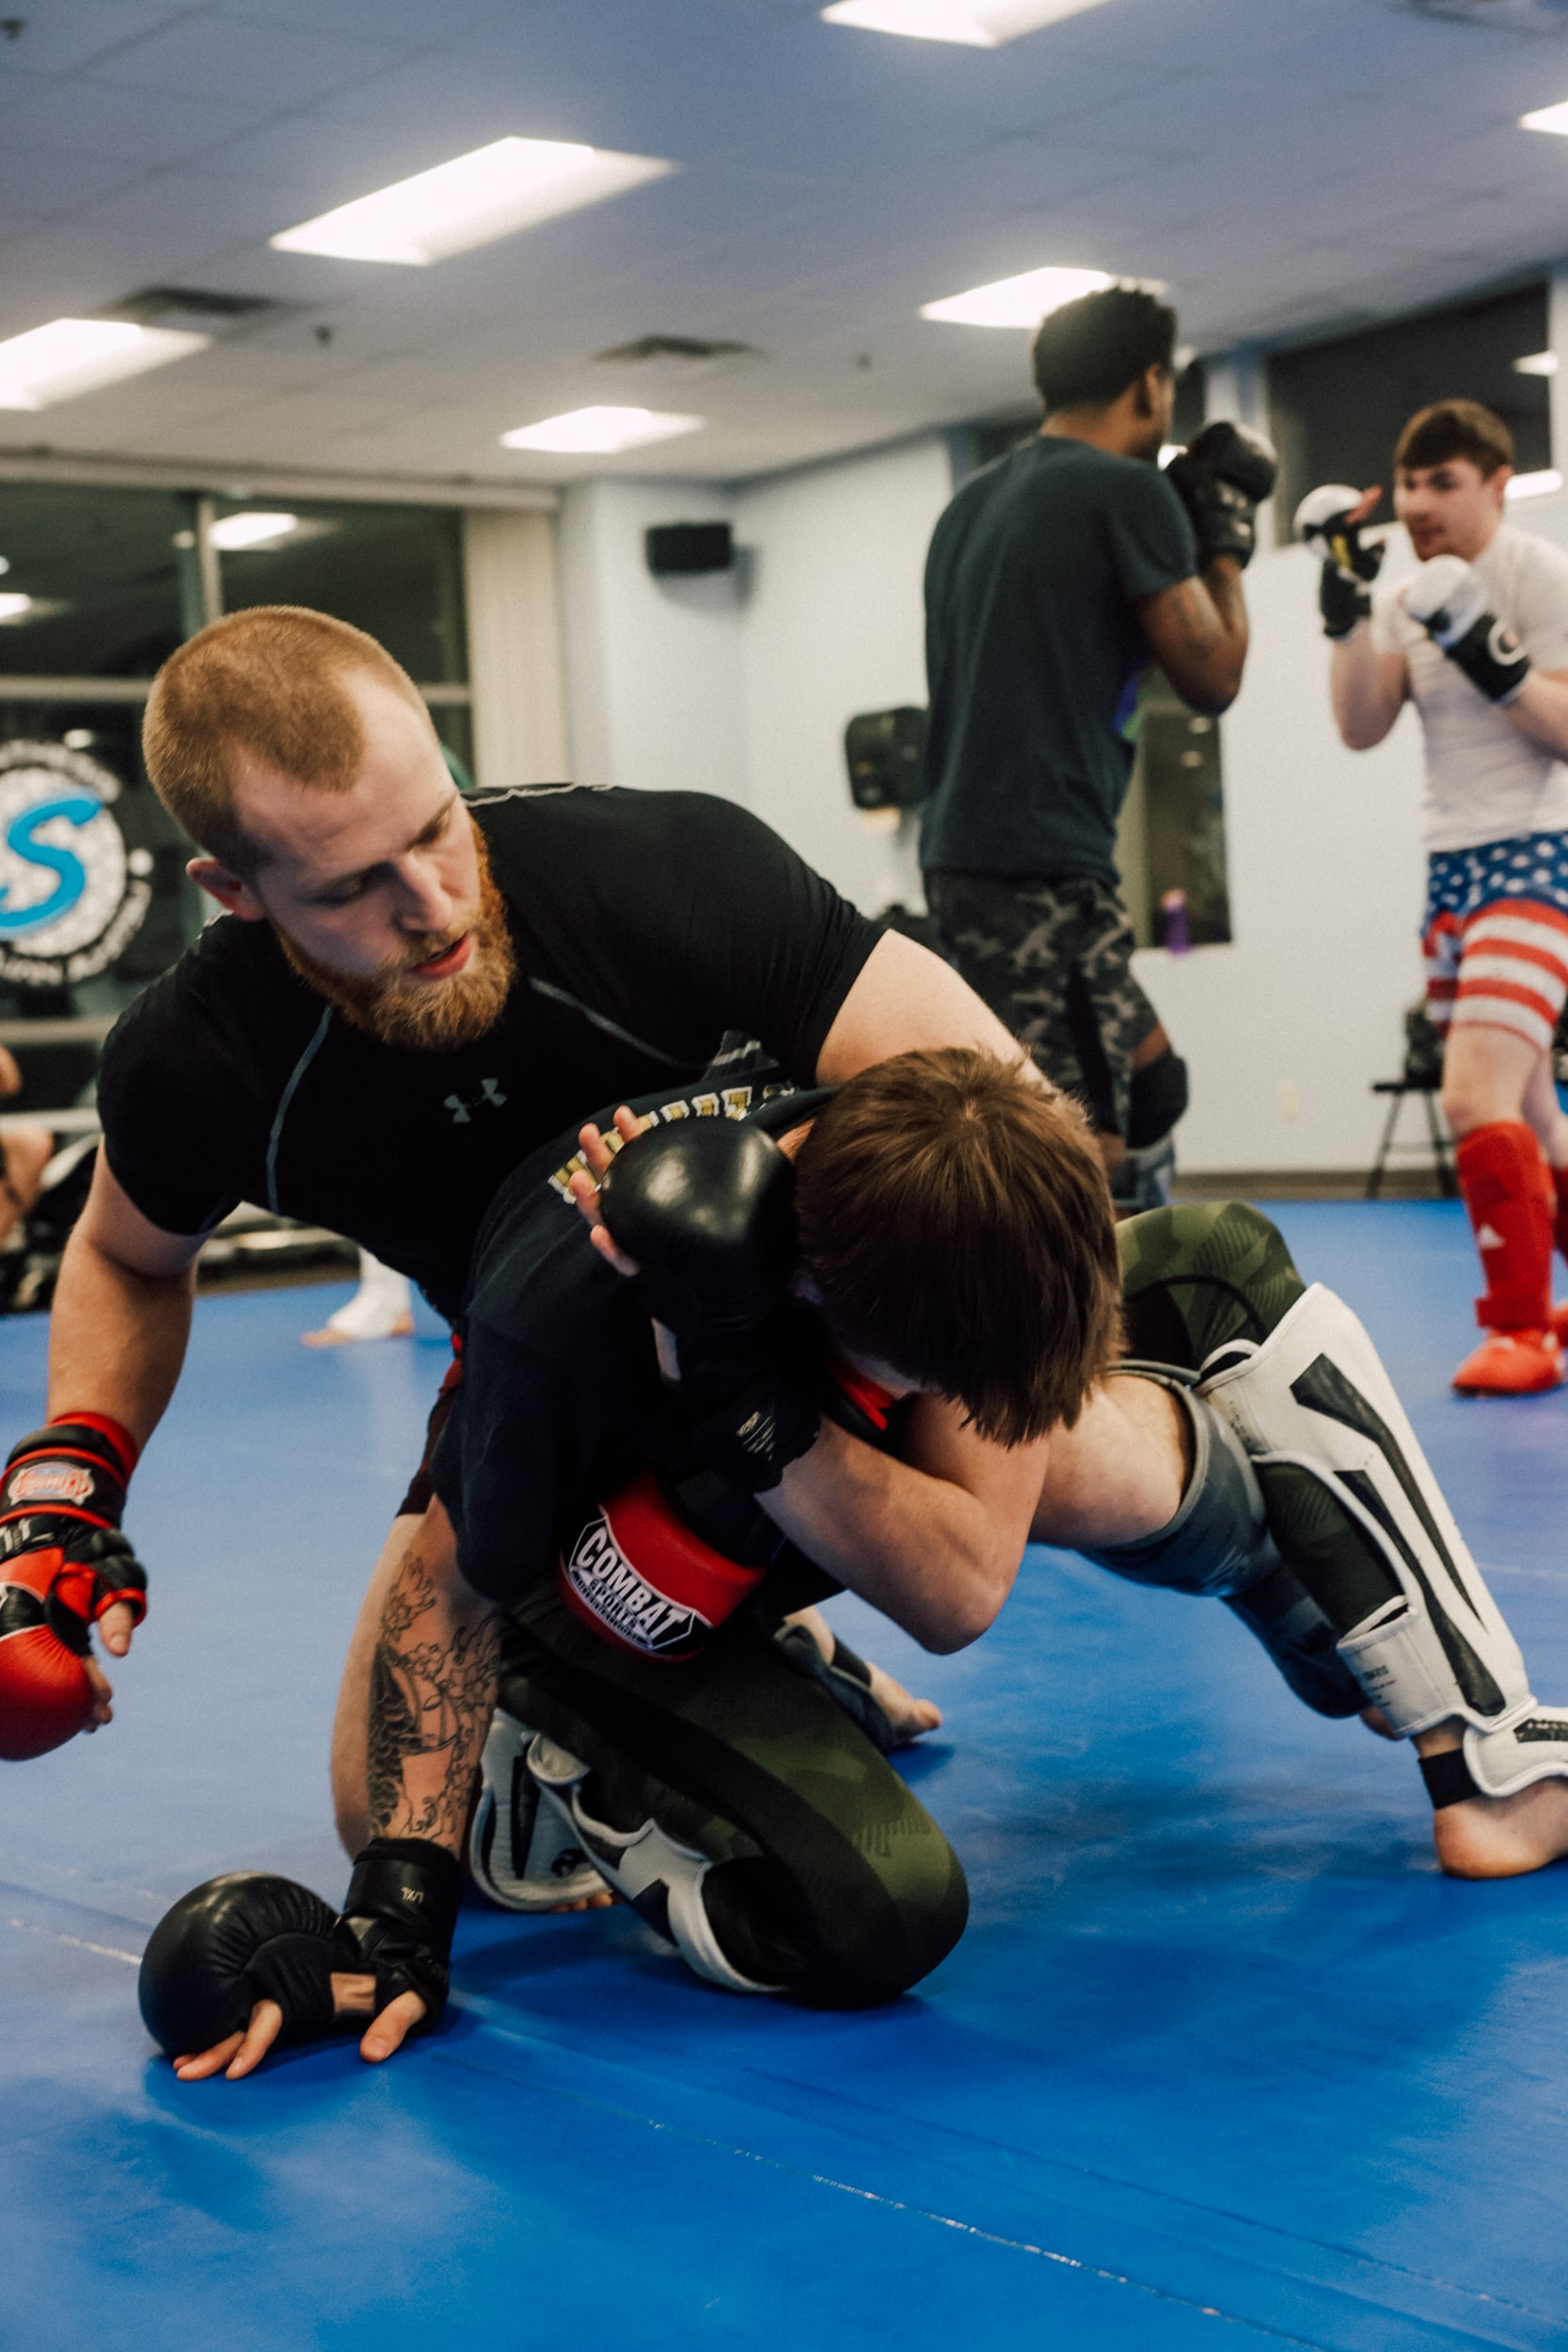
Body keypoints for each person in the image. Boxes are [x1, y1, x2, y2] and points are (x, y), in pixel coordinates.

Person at [143, 1051, 1568, 2080]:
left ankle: (1488, 1751)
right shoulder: (555, 1323)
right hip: (593, 1597)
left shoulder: (895, 1128)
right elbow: (450, 1596)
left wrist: (761, 1409)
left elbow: (958, 1588)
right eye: (933, 1378)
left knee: (1214, 1259)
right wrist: (397, 1909)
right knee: (879, 1912)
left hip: (780, 1446)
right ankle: (606, 1796)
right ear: (820, 1293)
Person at [0, 602, 1026, 1770]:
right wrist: (67, 1479)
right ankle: (757, 1637)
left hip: (811, 1328)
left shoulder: (656, 871)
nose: (434, 905)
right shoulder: (201, 1062)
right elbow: (128, 1255)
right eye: (348, 888)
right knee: (370, 1793)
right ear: (236, 891)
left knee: (1066, 1440)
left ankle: (1235, 1488)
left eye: (437, 826)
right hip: (534, 1377)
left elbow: (994, 1094)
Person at [919, 283, 1270, 1200]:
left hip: (963, 860)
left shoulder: (967, 505)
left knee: (1151, 1084)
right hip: (1041, 871)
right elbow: (1212, 675)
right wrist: (1223, 540)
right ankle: (1100, 1341)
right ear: (1150, 385)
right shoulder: (1123, 493)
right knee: (1082, 1154)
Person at [1299, 400, 1568, 1394]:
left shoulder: (1536, 574)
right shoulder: (1406, 592)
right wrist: (1343, 612)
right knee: (1532, 1110)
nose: (1417, 503)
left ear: (1495, 482)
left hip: (1537, 858)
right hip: (1447, 870)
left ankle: (1520, 1332)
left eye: (1441, 483)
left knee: (1470, 1094)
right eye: (1407, 484)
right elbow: (1360, 726)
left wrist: (1485, 654)